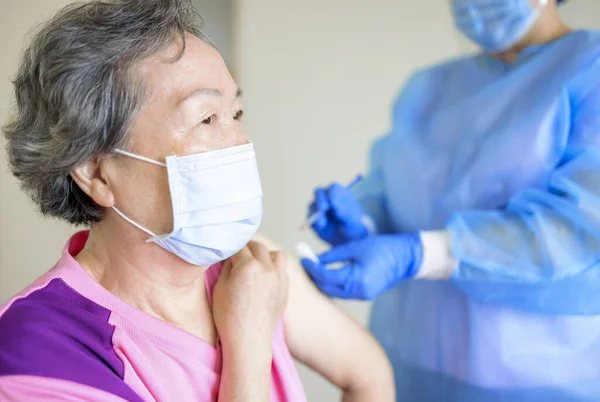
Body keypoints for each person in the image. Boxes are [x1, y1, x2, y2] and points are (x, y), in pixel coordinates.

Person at [0, 1, 395, 401]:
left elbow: (369, 374)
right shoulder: (37, 354)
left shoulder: (251, 267)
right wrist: (249, 347)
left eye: (236, 112)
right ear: (98, 173)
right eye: (206, 118)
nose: (239, 143)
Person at [302, 0, 600, 400]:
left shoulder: (589, 72)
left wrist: (421, 253)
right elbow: (395, 188)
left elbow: (578, 228)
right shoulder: (428, 89)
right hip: (407, 358)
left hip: (536, 376)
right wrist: (364, 218)